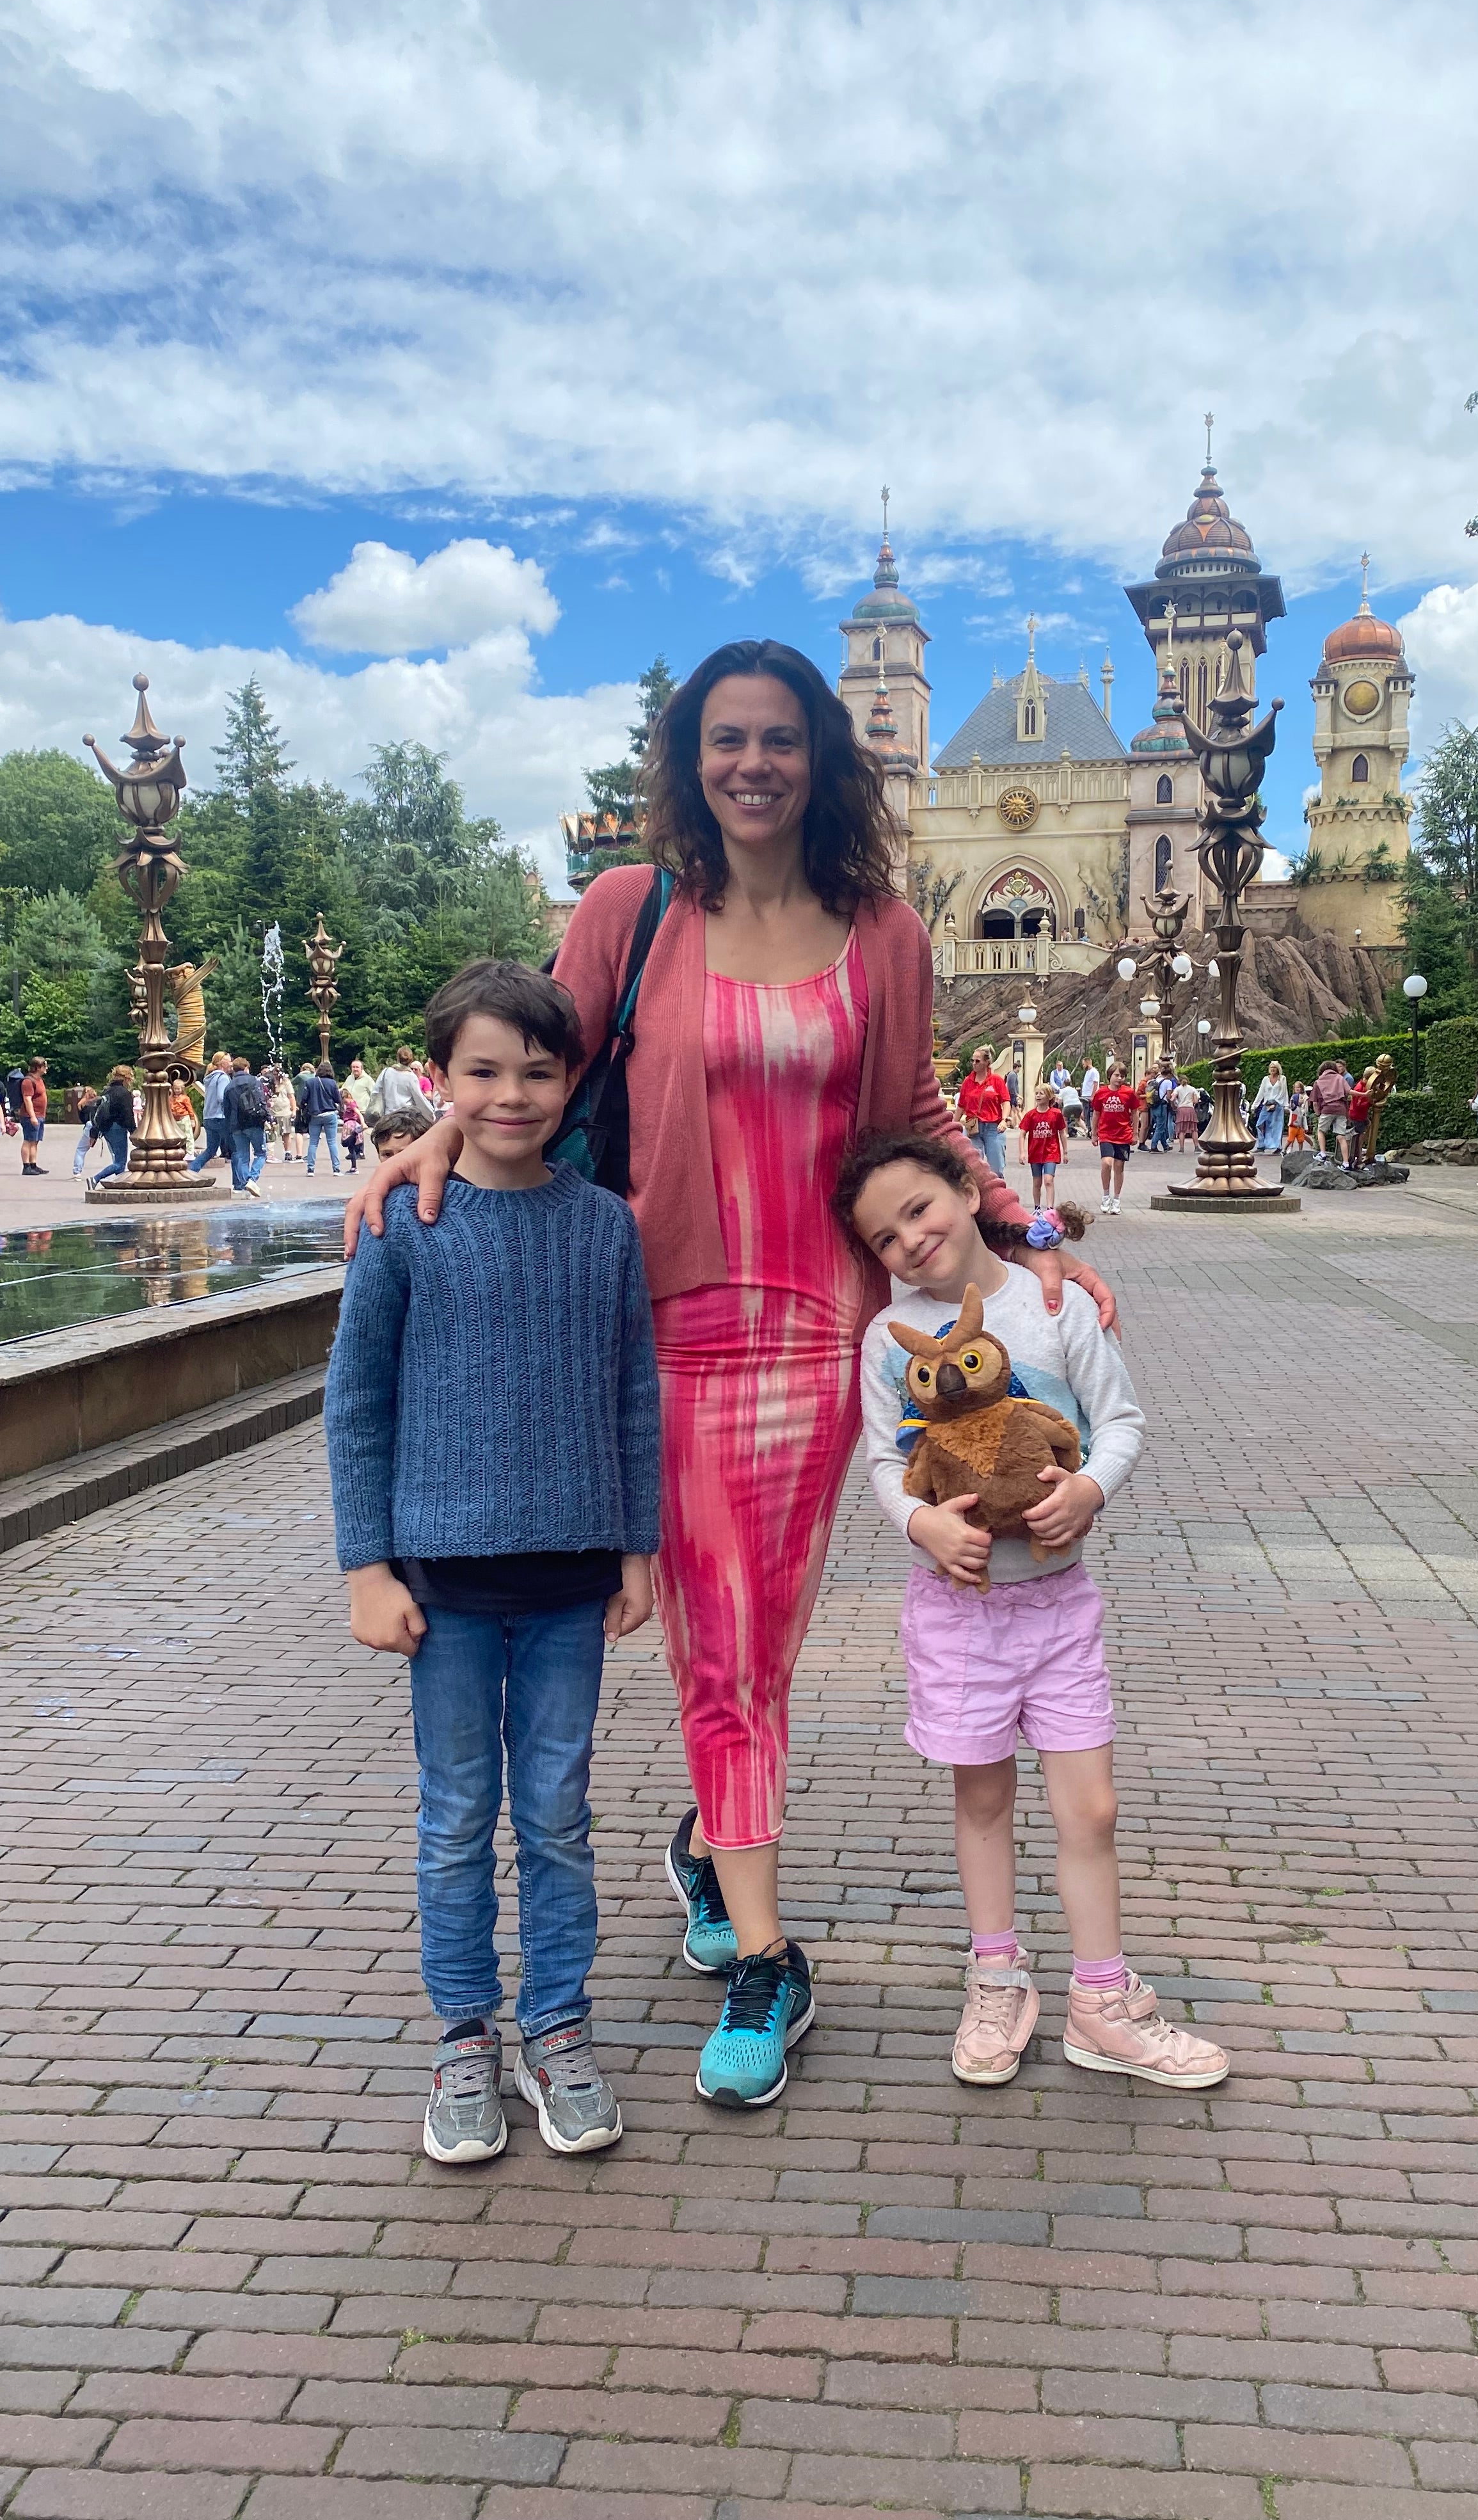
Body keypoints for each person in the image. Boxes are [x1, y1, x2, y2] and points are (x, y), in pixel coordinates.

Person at [351, 636, 1115, 2112]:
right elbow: (537, 1075)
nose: (753, 765)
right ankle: (771, 1958)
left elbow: (906, 1115)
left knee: (754, 1644)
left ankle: (712, 1846)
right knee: (722, 1655)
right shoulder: (633, 911)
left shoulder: (882, 927)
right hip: (667, 1325)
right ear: (690, 763)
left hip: (822, 1337)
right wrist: (440, 1135)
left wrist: (1025, 1233)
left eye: (779, 739)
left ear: (819, 756)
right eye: (725, 741)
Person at [325, 959, 660, 2165]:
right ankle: (464, 2033)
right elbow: (356, 1404)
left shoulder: (602, 1225)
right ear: (441, 1078)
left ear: (571, 1078)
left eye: (536, 1068)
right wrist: (368, 1566)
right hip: (445, 1587)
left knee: (559, 1814)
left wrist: (637, 1545)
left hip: (570, 1581)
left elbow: (632, 1392)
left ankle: (556, 2026)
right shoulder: (403, 1228)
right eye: (483, 1070)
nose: (511, 1093)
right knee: (459, 1813)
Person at [842, 1132, 1229, 2091]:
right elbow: (889, 1464)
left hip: (1060, 1606)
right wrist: (922, 1523)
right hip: (957, 1611)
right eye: (885, 1239)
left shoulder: (1052, 1308)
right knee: (981, 1799)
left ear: (970, 1194)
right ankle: (997, 1975)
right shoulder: (890, 1344)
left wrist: (1091, 1489)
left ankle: (1102, 2002)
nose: (911, 1241)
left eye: (920, 1210)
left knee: (1089, 1808)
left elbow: (1123, 1420)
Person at [1092, 1060, 1142, 1211]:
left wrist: (1135, 1134)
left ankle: (1117, 1200)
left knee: (1119, 1167)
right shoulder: (1101, 1093)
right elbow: (1096, 1114)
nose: (1120, 1078)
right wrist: (1094, 1134)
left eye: (1123, 1076)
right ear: (1110, 1076)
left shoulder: (1129, 1092)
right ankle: (1105, 1196)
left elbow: (1135, 1112)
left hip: (1123, 1135)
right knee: (1107, 1163)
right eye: (1117, 1075)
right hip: (1106, 1134)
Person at [957, 1046, 1012, 1176]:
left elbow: (1006, 1102)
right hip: (973, 1128)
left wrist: (1004, 1120)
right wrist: (952, 1126)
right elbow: (961, 1107)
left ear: (987, 1062)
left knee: (996, 1169)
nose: (974, 1064)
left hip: (994, 1128)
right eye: (972, 1061)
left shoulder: (996, 1080)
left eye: (977, 1061)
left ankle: (998, 1195)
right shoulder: (968, 1082)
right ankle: (978, 1195)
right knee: (972, 1168)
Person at [226, 1057, 271, 1199]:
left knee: (242, 1156)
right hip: (254, 1122)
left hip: (237, 1125)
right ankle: (252, 1180)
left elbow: (226, 1109)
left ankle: (246, 1182)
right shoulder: (254, 1081)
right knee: (261, 1153)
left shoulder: (229, 1086)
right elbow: (261, 1101)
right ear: (246, 1068)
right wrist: (267, 1117)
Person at [189, 1049, 236, 1176]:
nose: (231, 1063)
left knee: (211, 1150)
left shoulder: (210, 1078)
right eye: (229, 1061)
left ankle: (192, 1171)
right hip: (220, 1118)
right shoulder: (223, 1078)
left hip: (209, 1118)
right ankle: (240, 1183)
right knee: (236, 1150)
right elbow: (222, 1097)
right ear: (222, 1064)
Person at [1022, 1078, 1067, 1210]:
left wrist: (1065, 1152)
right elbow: (1022, 1134)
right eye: (1037, 1093)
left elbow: (1062, 1133)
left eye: (1041, 1093)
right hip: (1035, 1153)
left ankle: (1050, 1209)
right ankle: (1037, 1208)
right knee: (1037, 1182)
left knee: (1048, 1180)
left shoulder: (1056, 1114)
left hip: (1051, 1153)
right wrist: (1021, 1152)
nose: (1038, 1096)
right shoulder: (1031, 1115)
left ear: (1049, 1097)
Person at [88, 1065, 136, 1186]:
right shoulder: (124, 1093)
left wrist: (94, 1133)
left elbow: (100, 1111)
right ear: (126, 1078)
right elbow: (128, 1115)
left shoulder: (108, 1091)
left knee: (118, 1159)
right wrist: (133, 1132)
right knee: (120, 1163)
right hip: (118, 1128)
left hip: (107, 1129)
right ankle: (95, 1179)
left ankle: (119, 1184)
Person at [372, 1047, 436, 1129]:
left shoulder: (386, 1072)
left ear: (397, 1058)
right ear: (411, 1060)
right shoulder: (411, 1077)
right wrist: (431, 1114)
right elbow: (419, 1098)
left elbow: (375, 1092)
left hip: (388, 1117)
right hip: (405, 1119)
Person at [299, 1060, 344, 1174]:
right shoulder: (333, 1083)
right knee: (332, 1142)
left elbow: (304, 1099)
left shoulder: (310, 1082)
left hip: (315, 1115)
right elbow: (338, 1100)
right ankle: (336, 1169)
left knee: (313, 1142)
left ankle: (310, 1169)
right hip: (330, 1114)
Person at [1250, 1061, 1289, 1158]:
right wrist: (1254, 1105)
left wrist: (1281, 1104)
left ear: (1278, 1069)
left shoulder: (1282, 1079)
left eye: (1274, 1068)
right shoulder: (1265, 1079)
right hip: (1266, 1105)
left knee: (1277, 1127)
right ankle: (1261, 1146)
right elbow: (1261, 1092)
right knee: (1259, 1124)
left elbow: (1284, 1092)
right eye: (1271, 1067)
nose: (1273, 1069)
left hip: (1278, 1105)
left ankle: (1278, 1147)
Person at [1312, 1058, 1350, 1155]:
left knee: (1321, 1131)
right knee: (1341, 1136)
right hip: (1341, 1110)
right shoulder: (1340, 1078)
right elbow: (1349, 1091)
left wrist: (1318, 1114)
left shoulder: (1318, 1082)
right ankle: (1346, 1163)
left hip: (1327, 1109)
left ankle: (1323, 1154)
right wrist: (1364, 1095)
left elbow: (1315, 1103)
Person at [18, 1059, 49, 1174]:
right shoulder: (28, 1081)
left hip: (40, 1115)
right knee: (28, 1140)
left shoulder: (39, 1080)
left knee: (35, 1141)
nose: (46, 1068)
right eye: (44, 1066)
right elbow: (27, 1099)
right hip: (30, 1115)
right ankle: (26, 1166)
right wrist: (32, 1116)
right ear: (38, 1067)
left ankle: (33, 1164)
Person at [268, 1065, 299, 1162]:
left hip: (285, 1111)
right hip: (272, 1112)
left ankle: (288, 1152)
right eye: (274, 1073)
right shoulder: (270, 1083)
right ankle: (270, 1154)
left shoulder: (286, 1082)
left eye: (277, 1073)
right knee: (272, 1134)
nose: (275, 1075)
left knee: (286, 1133)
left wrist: (294, 1110)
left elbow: (291, 1097)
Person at [70, 1082, 100, 1178]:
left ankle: (77, 1171)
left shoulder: (83, 1105)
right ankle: (120, 1168)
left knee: (81, 1149)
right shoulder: (100, 1102)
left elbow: (82, 1119)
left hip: (89, 1125)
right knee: (113, 1149)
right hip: (101, 1124)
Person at [1346, 1071, 1372, 1168]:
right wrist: (1370, 1102)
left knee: (1363, 1133)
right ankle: (1359, 1159)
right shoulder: (1361, 1088)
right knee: (1359, 1139)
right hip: (1358, 1116)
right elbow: (1358, 1104)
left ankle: (1359, 1156)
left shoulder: (1363, 1086)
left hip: (1361, 1116)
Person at [340, 1087, 368, 1173]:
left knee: (350, 1145)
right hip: (350, 1125)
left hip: (351, 1125)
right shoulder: (349, 1104)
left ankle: (354, 1167)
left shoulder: (352, 1104)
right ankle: (354, 1166)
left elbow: (359, 1113)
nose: (345, 1103)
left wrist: (363, 1123)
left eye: (345, 1101)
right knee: (351, 1147)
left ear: (348, 1097)